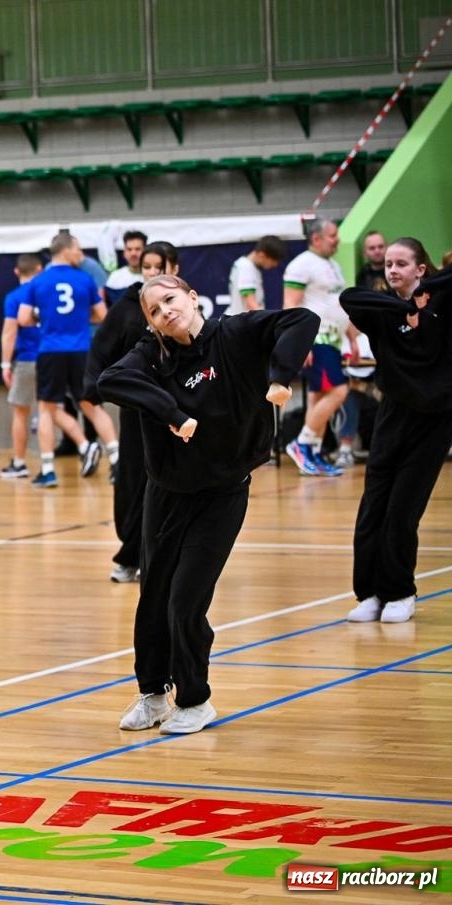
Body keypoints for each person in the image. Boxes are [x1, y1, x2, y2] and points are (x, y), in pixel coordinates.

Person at [98, 275, 318, 734]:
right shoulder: (152, 354)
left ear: (193, 296)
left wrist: (280, 376)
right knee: (153, 598)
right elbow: (110, 379)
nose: (165, 313)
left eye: (170, 300)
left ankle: (195, 701)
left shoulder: (234, 334)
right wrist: (172, 413)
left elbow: (301, 319)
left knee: (185, 600)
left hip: (222, 494)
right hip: (166, 494)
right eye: (155, 311)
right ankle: (154, 694)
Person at [340, 238, 452, 624]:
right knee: (374, 503)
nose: (392, 270)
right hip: (393, 414)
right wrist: (406, 307)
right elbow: (350, 297)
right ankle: (369, 592)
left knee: (403, 508)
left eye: (402, 263)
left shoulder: (442, 304)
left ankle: (400, 591)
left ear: (421, 268)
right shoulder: (382, 311)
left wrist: (426, 293)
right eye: (388, 264)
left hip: (434, 420)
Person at [85, 241, 177, 583]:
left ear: (174, 269)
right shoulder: (127, 306)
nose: (152, 272)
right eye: (148, 266)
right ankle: (130, 554)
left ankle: (160, 556)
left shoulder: (183, 307)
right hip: (138, 412)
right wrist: (91, 386)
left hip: (177, 414)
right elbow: (101, 348)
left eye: (159, 266)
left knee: (170, 485)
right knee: (132, 482)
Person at [19, 233, 117, 487]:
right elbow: (102, 315)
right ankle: (117, 462)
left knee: (46, 410)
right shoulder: (84, 279)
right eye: (77, 249)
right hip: (81, 349)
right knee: (92, 406)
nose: (80, 254)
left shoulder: (38, 282)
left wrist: (47, 322)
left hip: (50, 350)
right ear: (64, 250)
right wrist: (80, 321)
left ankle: (49, 470)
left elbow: (23, 318)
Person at [283, 218, 356, 476]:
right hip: (317, 338)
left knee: (318, 398)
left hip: (335, 339)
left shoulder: (333, 265)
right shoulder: (300, 265)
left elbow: (338, 305)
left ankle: (313, 454)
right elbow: (290, 306)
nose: (337, 240)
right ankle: (301, 444)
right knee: (338, 391)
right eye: (333, 235)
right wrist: (298, 344)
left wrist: (353, 338)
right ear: (316, 238)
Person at [0, 254, 42, 479]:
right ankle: (49, 463)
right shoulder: (47, 292)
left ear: (17, 272)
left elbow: (9, 332)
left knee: (20, 412)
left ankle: (20, 462)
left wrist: (5, 364)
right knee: (52, 411)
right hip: (53, 357)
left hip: (27, 359)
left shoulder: (15, 297)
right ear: (40, 269)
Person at [227, 235, 286, 315]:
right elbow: (251, 304)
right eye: (274, 260)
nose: (275, 265)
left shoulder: (245, 264)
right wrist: (267, 321)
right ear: (262, 255)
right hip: (243, 324)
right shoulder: (246, 267)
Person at [105, 230, 148, 300]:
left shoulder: (154, 276)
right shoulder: (114, 278)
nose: (133, 253)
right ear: (124, 252)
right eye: (129, 249)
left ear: (146, 251)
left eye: (138, 249)